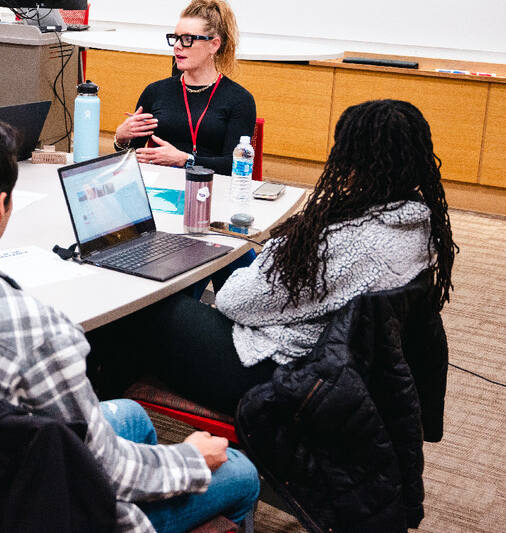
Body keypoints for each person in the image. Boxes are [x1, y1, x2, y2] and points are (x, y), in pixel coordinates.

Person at [0, 118, 258, 533]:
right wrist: (189, 458)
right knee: (240, 472)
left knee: (132, 415)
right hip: (24, 504)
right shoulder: (42, 337)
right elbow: (113, 473)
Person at [133, 99, 456, 416]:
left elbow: (233, 301)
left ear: (354, 161)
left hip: (281, 374)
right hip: (334, 370)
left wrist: (275, 254)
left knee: (148, 310)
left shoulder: (345, 244)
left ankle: (106, 422)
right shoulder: (420, 223)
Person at [113, 0, 255, 175]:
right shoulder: (155, 92)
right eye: (176, 38)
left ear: (214, 45)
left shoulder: (239, 100)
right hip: (158, 186)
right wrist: (121, 137)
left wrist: (186, 160)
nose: (178, 46)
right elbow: (131, 158)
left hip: (210, 190)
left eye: (188, 39)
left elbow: (234, 166)